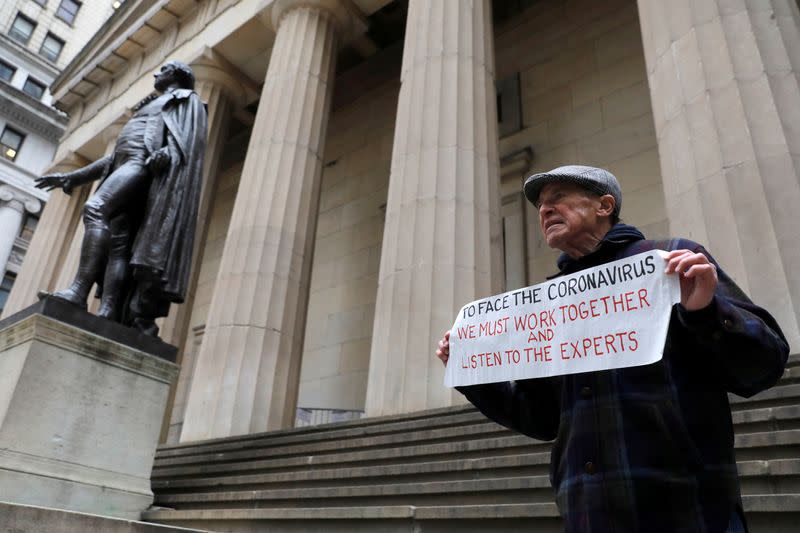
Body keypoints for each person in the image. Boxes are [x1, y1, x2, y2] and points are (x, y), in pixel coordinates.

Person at [435, 165, 789, 532]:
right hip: (588, 515)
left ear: (604, 206)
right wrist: (471, 372)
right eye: (540, 205)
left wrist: (706, 311)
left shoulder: (673, 261)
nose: (544, 210)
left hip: (688, 509)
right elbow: (540, 417)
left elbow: (763, 366)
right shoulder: (551, 306)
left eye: (558, 198)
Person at [35, 61, 207, 337]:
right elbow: (115, 154)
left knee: (94, 208)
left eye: (162, 69)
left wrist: (169, 153)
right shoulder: (149, 106)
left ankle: (79, 291)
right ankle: (109, 311)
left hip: (142, 165)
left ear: (176, 74)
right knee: (119, 246)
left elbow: (187, 142)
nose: (155, 73)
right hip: (124, 164)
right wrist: (73, 177)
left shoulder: (186, 99)